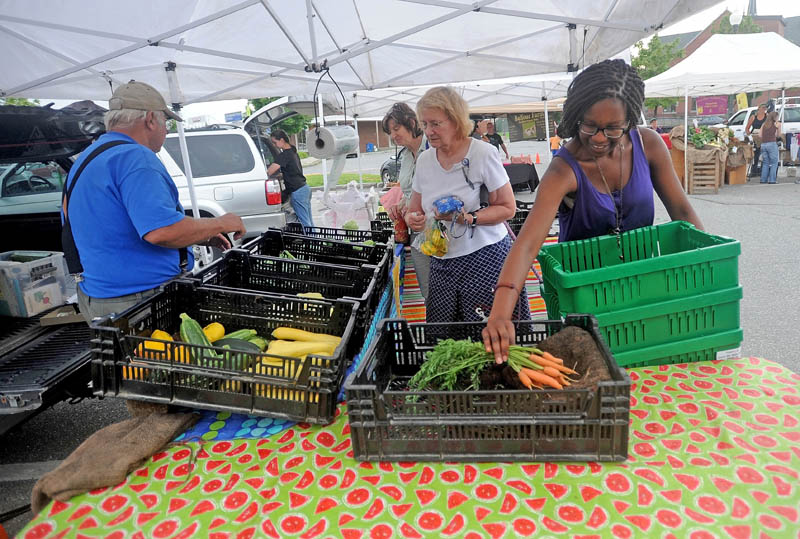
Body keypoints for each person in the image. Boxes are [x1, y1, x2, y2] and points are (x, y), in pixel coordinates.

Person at [482, 59, 704, 362]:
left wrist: (706, 270)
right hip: (583, 300)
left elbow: (683, 212)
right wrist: (500, 313)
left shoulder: (648, 144)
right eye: (590, 126)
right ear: (576, 116)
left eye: (613, 128)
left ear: (629, 119)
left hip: (642, 290)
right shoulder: (563, 169)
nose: (599, 138)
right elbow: (528, 244)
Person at [64, 80, 246, 324]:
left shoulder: (86, 159)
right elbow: (161, 232)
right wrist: (221, 223)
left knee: (126, 363)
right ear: (150, 119)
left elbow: (114, 226)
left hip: (98, 298)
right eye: (165, 122)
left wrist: (200, 235)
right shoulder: (135, 157)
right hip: (139, 301)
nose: (167, 130)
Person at [405, 86, 530, 323]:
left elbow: (507, 207)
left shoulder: (482, 153)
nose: (428, 132)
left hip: (485, 256)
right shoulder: (424, 161)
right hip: (442, 261)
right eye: (424, 124)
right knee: (444, 336)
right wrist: (413, 219)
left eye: (435, 124)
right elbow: (415, 209)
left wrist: (469, 218)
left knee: (488, 333)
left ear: (455, 120)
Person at [381, 103, 432, 299]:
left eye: (396, 129)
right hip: (418, 231)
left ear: (411, 123)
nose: (393, 136)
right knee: (428, 290)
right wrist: (401, 204)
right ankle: (436, 328)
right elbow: (410, 189)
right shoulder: (406, 156)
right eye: (390, 132)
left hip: (440, 230)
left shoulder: (432, 147)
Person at [268, 129, 314, 230]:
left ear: (281, 140)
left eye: (275, 142)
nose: (274, 145)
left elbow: (269, 172)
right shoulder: (293, 152)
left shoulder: (285, 155)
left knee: (304, 222)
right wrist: (281, 175)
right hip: (304, 188)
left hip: (298, 191)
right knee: (309, 221)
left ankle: (311, 244)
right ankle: (317, 242)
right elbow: (292, 170)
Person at [759, 111, 781, 185]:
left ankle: (763, 179)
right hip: (772, 144)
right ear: (775, 117)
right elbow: (778, 135)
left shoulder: (763, 124)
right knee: (774, 163)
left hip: (763, 144)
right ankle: (772, 180)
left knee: (765, 163)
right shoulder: (777, 124)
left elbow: (760, 135)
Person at [746, 104, 768, 178]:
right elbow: (747, 128)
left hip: (764, 137)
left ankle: (762, 171)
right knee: (755, 155)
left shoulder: (767, 116)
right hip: (755, 137)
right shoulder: (753, 117)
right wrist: (749, 135)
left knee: (764, 155)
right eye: (763, 108)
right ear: (758, 109)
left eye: (765, 108)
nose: (764, 109)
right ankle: (753, 170)